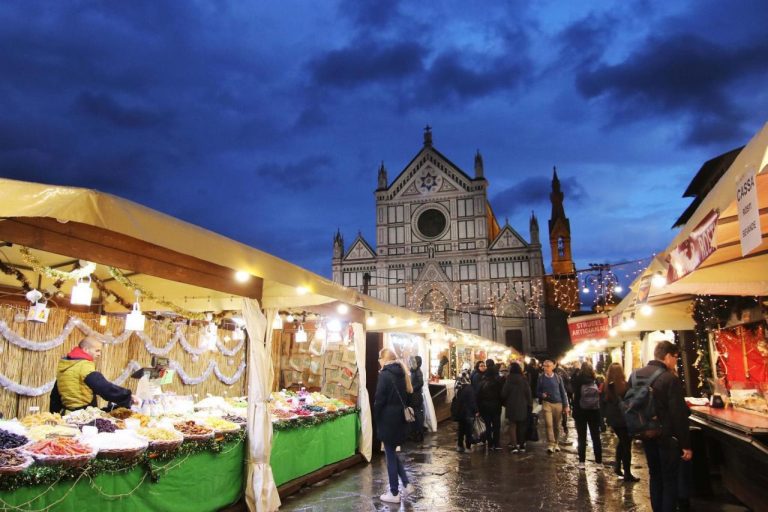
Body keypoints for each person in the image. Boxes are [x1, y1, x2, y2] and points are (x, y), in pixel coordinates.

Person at [633, 341, 692, 512]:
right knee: (669, 479)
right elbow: (678, 414)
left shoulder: (635, 375)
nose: (676, 361)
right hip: (666, 437)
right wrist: (686, 444)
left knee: (655, 475)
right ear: (667, 356)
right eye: (675, 357)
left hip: (646, 433)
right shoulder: (669, 378)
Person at [49, 337, 134, 414]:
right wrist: (127, 396)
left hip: (66, 414)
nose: (99, 354)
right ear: (86, 350)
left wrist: (54, 415)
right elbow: (104, 387)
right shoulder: (84, 366)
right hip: (82, 417)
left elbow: (55, 395)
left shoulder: (64, 366)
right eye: (97, 350)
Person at [374, 348, 415, 504]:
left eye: (379, 358)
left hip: (387, 418)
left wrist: (376, 416)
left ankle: (394, 492)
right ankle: (406, 483)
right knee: (391, 451)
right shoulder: (401, 373)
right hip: (399, 418)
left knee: (390, 455)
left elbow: (379, 399)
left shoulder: (385, 375)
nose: (378, 361)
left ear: (384, 359)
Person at [602, 362, 638, 482]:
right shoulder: (624, 385)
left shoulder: (607, 385)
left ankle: (618, 466)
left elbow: (604, 401)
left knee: (622, 442)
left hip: (613, 419)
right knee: (626, 445)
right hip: (623, 419)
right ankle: (627, 473)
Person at [571, 362, 603, 469]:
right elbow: (600, 398)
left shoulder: (578, 380)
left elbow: (575, 398)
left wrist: (574, 412)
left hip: (581, 412)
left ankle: (581, 462)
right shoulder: (596, 380)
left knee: (582, 437)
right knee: (596, 437)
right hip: (594, 411)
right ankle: (598, 463)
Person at [536, 360, 570, 454]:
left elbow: (563, 392)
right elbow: (537, 391)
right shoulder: (541, 378)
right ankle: (551, 443)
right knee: (548, 424)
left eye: (548, 366)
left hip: (558, 404)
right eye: (544, 366)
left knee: (557, 426)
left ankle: (556, 443)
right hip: (547, 403)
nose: (545, 368)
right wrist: (541, 395)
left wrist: (566, 405)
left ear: (553, 367)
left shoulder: (558, 378)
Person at [501, 361, 532, 453]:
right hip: (523, 405)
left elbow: (503, 394)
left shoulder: (508, 380)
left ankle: (514, 446)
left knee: (512, 426)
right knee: (522, 426)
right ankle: (522, 445)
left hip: (511, 406)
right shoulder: (524, 379)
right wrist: (529, 404)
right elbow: (528, 393)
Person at [477, 359, 503, 450]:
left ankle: (490, 443)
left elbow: (478, 396)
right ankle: (497, 444)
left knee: (488, 426)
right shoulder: (498, 382)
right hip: (496, 406)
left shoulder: (482, 382)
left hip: (485, 407)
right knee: (496, 426)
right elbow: (502, 394)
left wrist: (478, 409)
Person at [454, 371, 479, 452]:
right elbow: (472, 402)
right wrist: (476, 410)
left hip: (460, 412)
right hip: (468, 413)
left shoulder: (458, 388)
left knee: (461, 430)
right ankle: (468, 447)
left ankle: (460, 445)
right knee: (468, 431)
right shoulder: (469, 389)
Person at [409, 356, 425, 443]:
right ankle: (416, 433)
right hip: (414, 396)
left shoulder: (417, 371)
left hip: (416, 396)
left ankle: (419, 434)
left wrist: (412, 388)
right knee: (416, 414)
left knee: (417, 415)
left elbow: (420, 383)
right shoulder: (415, 371)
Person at [555, 363, 573, 437]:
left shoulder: (551, 372)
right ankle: (564, 423)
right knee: (564, 409)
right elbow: (568, 380)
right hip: (563, 392)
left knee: (561, 409)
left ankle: (560, 424)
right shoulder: (562, 371)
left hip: (557, 394)